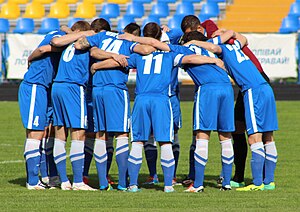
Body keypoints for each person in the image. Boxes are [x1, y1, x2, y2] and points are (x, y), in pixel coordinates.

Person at [92, 22, 226, 192]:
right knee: (165, 142)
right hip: (161, 100)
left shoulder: (139, 56)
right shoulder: (170, 55)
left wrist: (96, 66)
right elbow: (191, 58)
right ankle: (168, 185)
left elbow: (118, 62)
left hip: (141, 99)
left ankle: (132, 184)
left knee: (138, 142)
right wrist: (213, 60)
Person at [180, 15, 270, 188]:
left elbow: (214, 45)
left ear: (198, 29)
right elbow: (241, 38)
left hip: (249, 85)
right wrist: (233, 33)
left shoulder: (212, 37)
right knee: (234, 130)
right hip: (243, 84)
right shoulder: (230, 42)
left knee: (251, 134)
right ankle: (236, 179)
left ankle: (258, 181)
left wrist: (195, 45)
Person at [74, 25, 154, 191]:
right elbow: (146, 50)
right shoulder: (127, 41)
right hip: (116, 89)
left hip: (97, 89)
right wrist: (121, 53)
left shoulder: (101, 36)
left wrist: (98, 64)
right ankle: (123, 183)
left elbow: (87, 48)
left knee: (100, 135)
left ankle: (103, 183)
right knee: (122, 134)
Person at [18, 29, 67, 190]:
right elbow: (43, 49)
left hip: (45, 88)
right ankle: (32, 181)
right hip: (35, 86)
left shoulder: (62, 33)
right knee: (35, 133)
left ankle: (46, 176)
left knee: (46, 132)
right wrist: (30, 58)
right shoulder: (60, 36)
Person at [143, 26, 183, 186]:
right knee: (170, 136)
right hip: (168, 96)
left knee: (152, 136)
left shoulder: (143, 47)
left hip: (157, 95)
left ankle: (157, 175)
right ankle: (165, 176)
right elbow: (179, 32)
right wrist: (166, 30)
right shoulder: (168, 44)